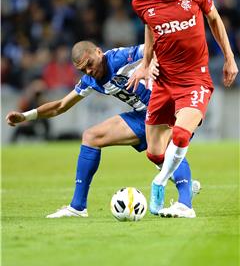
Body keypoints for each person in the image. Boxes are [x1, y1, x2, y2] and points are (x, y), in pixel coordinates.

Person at [6, 41, 200, 219]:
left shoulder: (119, 57)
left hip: (167, 107)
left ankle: (185, 203)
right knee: (91, 136)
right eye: (83, 69)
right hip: (142, 114)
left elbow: (155, 45)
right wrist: (26, 116)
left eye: (90, 64)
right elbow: (61, 106)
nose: (89, 71)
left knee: (165, 153)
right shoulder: (91, 79)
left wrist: (152, 63)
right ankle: (78, 207)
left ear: (99, 52)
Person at [127, 0, 238, 218]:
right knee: (154, 152)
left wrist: (229, 57)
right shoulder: (140, 2)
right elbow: (151, 28)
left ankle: (169, 191)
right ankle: (185, 184)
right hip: (164, 82)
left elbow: (215, 21)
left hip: (194, 80)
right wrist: (145, 64)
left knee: (179, 134)